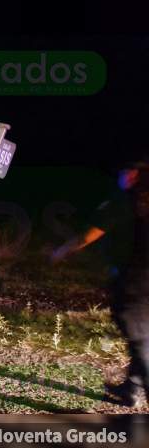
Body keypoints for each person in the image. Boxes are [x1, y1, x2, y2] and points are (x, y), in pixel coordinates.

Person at [52, 162, 149, 408]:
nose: (122, 174)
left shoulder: (125, 201)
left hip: (136, 283)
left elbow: (87, 235)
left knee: (141, 341)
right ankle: (132, 389)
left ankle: (136, 388)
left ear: (136, 174)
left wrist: (61, 251)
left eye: (126, 170)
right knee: (143, 338)